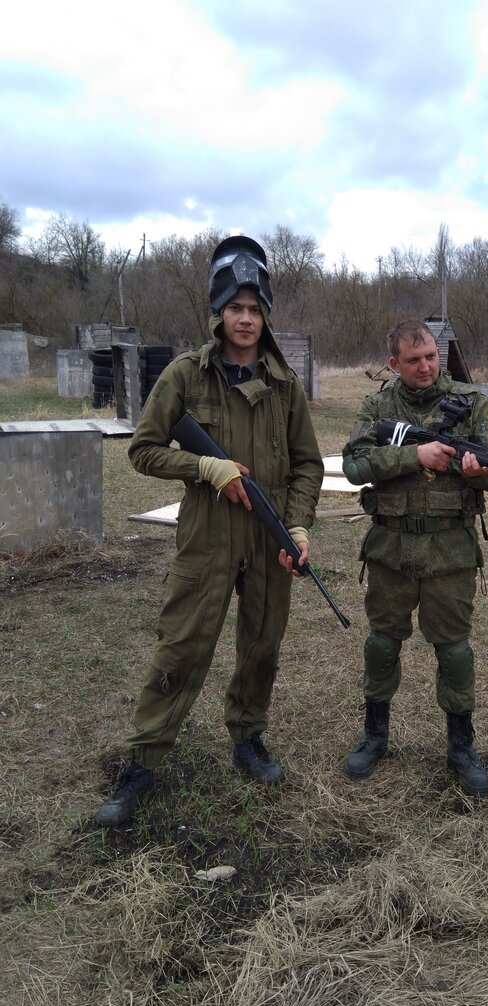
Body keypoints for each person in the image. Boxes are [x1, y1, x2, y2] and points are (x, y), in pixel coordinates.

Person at [96, 236, 323, 826]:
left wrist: (299, 525)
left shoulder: (284, 383)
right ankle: (143, 759)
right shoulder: (184, 375)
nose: (245, 319)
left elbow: (308, 464)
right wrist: (204, 466)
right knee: (182, 645)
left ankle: (248, 737)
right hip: (208, 537)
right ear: (218, 313)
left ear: (265, 315)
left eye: (254, 309)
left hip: (269, 537)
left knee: (263, 645)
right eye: (235, 308)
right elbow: (143, 450)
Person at [341, 319, 488, 796]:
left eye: (432, 356)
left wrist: (475, 473)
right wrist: (415, 456)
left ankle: (461, 745)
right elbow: (353, 465)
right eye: (413, 360)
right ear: (394, 363)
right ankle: (375, 735)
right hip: (390, 549)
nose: (425, 367)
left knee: (454, 650)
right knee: (382, 644)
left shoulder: (470, 403)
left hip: (450, 551)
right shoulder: (378, 406)